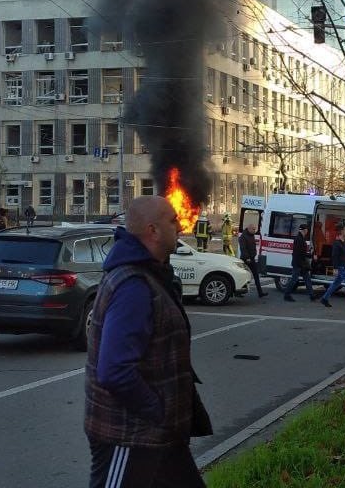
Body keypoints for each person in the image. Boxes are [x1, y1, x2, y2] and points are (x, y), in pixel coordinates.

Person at [86, 195, 211, 488]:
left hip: (161, 437)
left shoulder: (151, 276)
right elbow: (114, 371)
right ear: (152, 230)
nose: (180, 226)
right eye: (172, 220)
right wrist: (158, 411)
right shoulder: (133, 287)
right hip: (129, 437)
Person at [284, 223, 316, 302]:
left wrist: (309, 255)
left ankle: (312, 295)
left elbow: (301, 252)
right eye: (307, 230)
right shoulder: (299, 239)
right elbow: (299, 253)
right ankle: (286, 295)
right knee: (294, 280)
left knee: (307, 279)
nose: (307, 231)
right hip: (299, 264)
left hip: (301, 263)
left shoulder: (300, 238)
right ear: (304, 230)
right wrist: (310, 255)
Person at [238, 224, 266, 298]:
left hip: (252, 258)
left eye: (255, 229)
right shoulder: (243, 237)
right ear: (249, 229)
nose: (254, 231)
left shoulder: (251, 235)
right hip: (245, 259)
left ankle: (260, 293)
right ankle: (238, 291)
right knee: (242, 275)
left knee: (256, 275)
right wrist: (247, 258)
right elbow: (243, 248)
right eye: (253, 229)